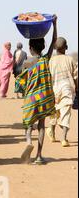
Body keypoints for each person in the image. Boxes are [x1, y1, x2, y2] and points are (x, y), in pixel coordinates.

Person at [16, 16, 57, 165]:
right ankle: (39, 156)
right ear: (43, 47)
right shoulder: (45, 59)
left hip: (31, 97)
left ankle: (28, 141)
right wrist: (54, 24)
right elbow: (54, 41)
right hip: (44, 97)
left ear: (30, 48)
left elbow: (20, 81)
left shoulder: (27, 63)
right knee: (41, 125)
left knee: (28, 123)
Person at [46, 37, 78, 147]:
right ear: (66, 47)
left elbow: (49, 78)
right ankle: (63, 139)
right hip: (67, 89)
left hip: (54, 90)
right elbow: (75, 77)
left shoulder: (51, 61)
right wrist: (77, 88)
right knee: (66, 113)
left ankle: (52, 132)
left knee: (54, 113)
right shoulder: (70, 60)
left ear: (55, 48)